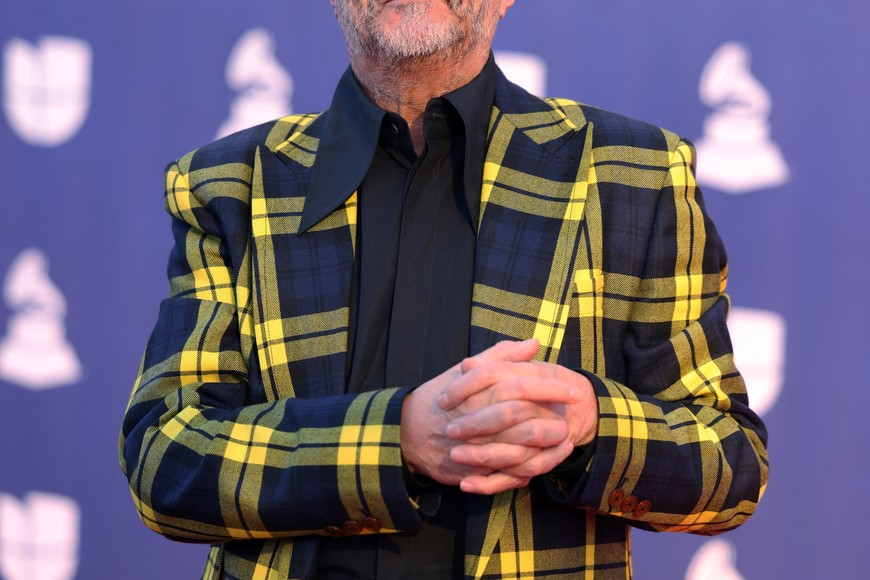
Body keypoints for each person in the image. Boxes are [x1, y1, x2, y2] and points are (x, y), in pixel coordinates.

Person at [119, 1, 769, 578]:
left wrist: (590, 422)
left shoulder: (638, 173)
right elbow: (164, 459)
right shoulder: (225, 185)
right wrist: (395, 437)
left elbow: (729, 465)